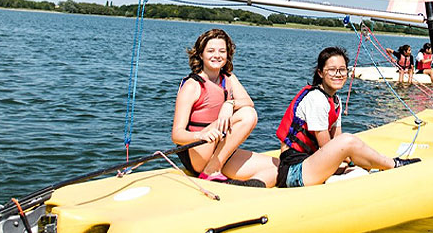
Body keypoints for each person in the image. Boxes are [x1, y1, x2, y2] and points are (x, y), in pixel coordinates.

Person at [274, 46, 420, 188]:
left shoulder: (335, 101)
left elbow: (336, 140)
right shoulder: (316, 99)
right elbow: (327, 146)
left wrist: (353, 162)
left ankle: (369, 170)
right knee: (348, 141)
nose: (338, 74)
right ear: (320, 73)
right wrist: (352, 158)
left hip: (311, 164)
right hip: (294, 172)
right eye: (332, 70)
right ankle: (393, 164)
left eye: (342, 70)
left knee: (358, 169)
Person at [171, 29, 278, 186]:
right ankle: (209, 172)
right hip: (199, 151)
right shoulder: (192, 85)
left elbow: (248, 102)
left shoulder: (228, 78)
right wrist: (200, 135)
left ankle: (238, 186)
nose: (217, 55)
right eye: (211, 51)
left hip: (220, 153)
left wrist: (229, 104)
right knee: (248, 115)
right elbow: (176, 135)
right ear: (200, 54)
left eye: (222, 51)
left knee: (277, 166)